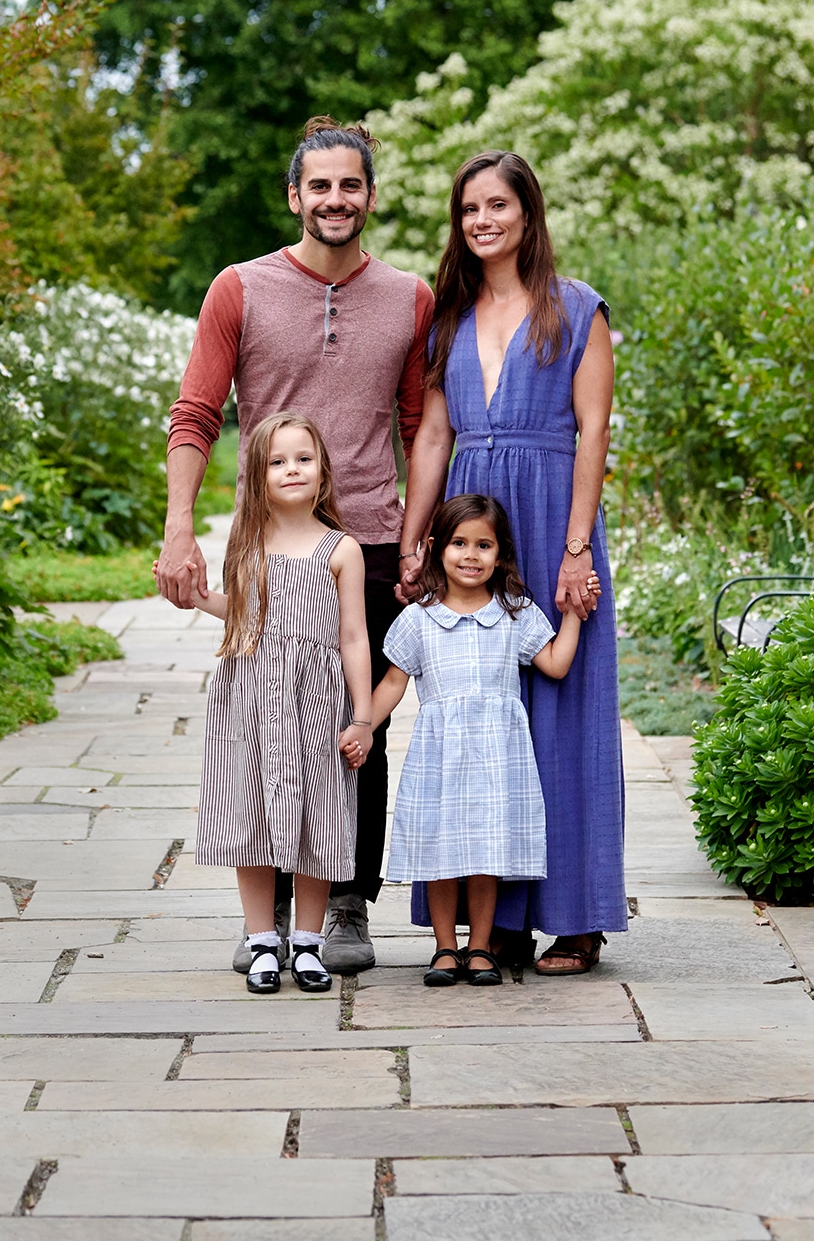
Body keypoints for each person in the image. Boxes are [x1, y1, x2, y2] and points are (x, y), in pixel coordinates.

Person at [158, 117, 434, 974]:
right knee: (268, 718)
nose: (336, 200)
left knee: (361, 722)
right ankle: (272, 914)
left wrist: (419, 533)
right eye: (320, 186)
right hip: (265, 543)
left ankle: (347, 903)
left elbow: (423, 425)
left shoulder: (411, 297)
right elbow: (196, 415)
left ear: (371, 198)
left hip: (374, 540)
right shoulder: (238, 288)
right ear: (295, 196)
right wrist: (179, 527)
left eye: (351, 185)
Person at [398, 150, 626, 974]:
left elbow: (593, 432)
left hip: (551, 515)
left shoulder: (577, 309)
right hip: (472, 522)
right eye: (469, 210)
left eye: (498, 205)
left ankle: (575, 917)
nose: (483, 221)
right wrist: (417, 534)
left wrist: (574, 548)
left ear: (528, 213)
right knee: (476, 715)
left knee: (561, 714)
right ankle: (493, 925)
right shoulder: (450, 316)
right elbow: (431, 433)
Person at [174, 412, 372, 995]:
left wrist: (362, 716)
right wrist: (197, 599)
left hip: (316, 703)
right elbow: (243, 616)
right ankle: (262, 940)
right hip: (252, 703)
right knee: (253, 815)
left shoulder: (342, 550)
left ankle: (308, 944)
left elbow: (354, 637)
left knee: (319, 818)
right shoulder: (247, 542)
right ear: (257, 476)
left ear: (323, 471)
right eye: (277, 461)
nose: (291, 470)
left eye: (303, 459)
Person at [371, 494, 594, 986]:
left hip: (498, 757)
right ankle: (444, 948)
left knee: (486, 852)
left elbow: (555, 663)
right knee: (441, 851)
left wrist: (573, 612)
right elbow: (392, 682)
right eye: (459, 543)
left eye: (484, 545)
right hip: (440, 756)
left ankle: (480, 948)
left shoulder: (514, 613)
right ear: (436, 549)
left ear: (501, 554)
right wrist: (363, 725)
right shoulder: (419, 618)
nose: (471, 555)